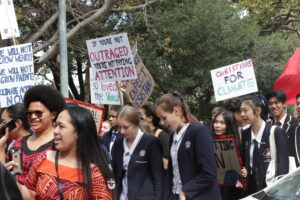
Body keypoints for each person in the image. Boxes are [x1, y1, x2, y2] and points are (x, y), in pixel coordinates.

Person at [16, 104, 114, 199]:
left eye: (61, 126)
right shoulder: (43, 158)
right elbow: (30, 194)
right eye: (55, 125)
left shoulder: (95, 174)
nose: (55, 131)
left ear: (78, 132)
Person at [155, 92, 221, 200]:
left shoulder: (198, 131)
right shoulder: (172, 136)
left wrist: (186, 190)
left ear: (176, 111)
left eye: (164, 118)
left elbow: (209, 172)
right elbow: (173, 173)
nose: (162, 123)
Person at [12, 85, 66, 185]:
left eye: (38, 113)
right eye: (29, 113)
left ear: (53, 114)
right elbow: (16, 174)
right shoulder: (19, 143)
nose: (33, 117)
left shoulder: (62, 143)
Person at [111, 105, 164, 200]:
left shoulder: (151, 142)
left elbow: (158, 178)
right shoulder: (118, 143)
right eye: (119, 127)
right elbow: (115, 174)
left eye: (126, 127)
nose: (122, 131)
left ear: (136, 124)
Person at [240, 95, 289, 195]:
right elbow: (245, 164)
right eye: (241, 111)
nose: (242, 114)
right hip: (251, 192)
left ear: (257, 110)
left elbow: (283, 171)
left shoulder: (276, 132)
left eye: (245, 110)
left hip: (272, 192)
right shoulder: (245, 134)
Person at [212, 110, 243, 200]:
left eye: (222, 123)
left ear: (229, 125)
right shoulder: (210, 141)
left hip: (230, 192)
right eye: (216, 122)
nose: (217, 126)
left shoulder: (235, 145)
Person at [266, 90, 300, 166]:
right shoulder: (268, 127)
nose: (274, 106)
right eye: (271, 104)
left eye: (276, 102)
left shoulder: (296, 124)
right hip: (274, 171)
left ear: (284, 104)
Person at [139, 104, 170, 170]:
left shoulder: (162, 135)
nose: (137, 119)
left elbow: (167, 164)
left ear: (150, 118)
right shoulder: (139, 134)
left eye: (140, 116)